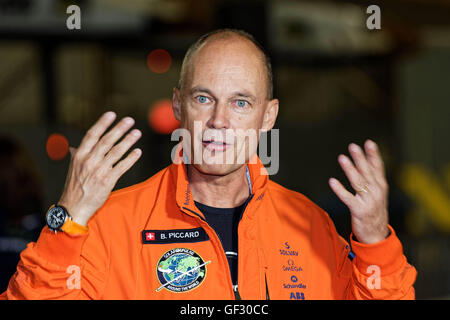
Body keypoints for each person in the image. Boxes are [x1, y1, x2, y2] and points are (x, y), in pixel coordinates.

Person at [1, 29, 416, 300]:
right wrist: (67, 221)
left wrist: (376, 242)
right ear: (179, 105)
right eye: (204, 98)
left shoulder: (311, 226)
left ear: (267, 117)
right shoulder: (111, 227)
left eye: (240, 102)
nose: (219, 120)